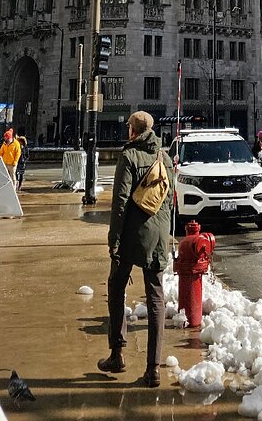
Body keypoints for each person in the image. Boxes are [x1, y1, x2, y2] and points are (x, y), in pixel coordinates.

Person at [98, 110, 173, 387]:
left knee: (117, 286)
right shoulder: (164, 157)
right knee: (155, 297)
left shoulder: (128, 156)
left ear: (133, 131)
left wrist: (114, 241)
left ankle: (117, 353)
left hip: (132, 234)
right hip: (158, 235)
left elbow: (120, 203)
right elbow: (169, 199)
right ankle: (153, 369)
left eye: (129, 127)